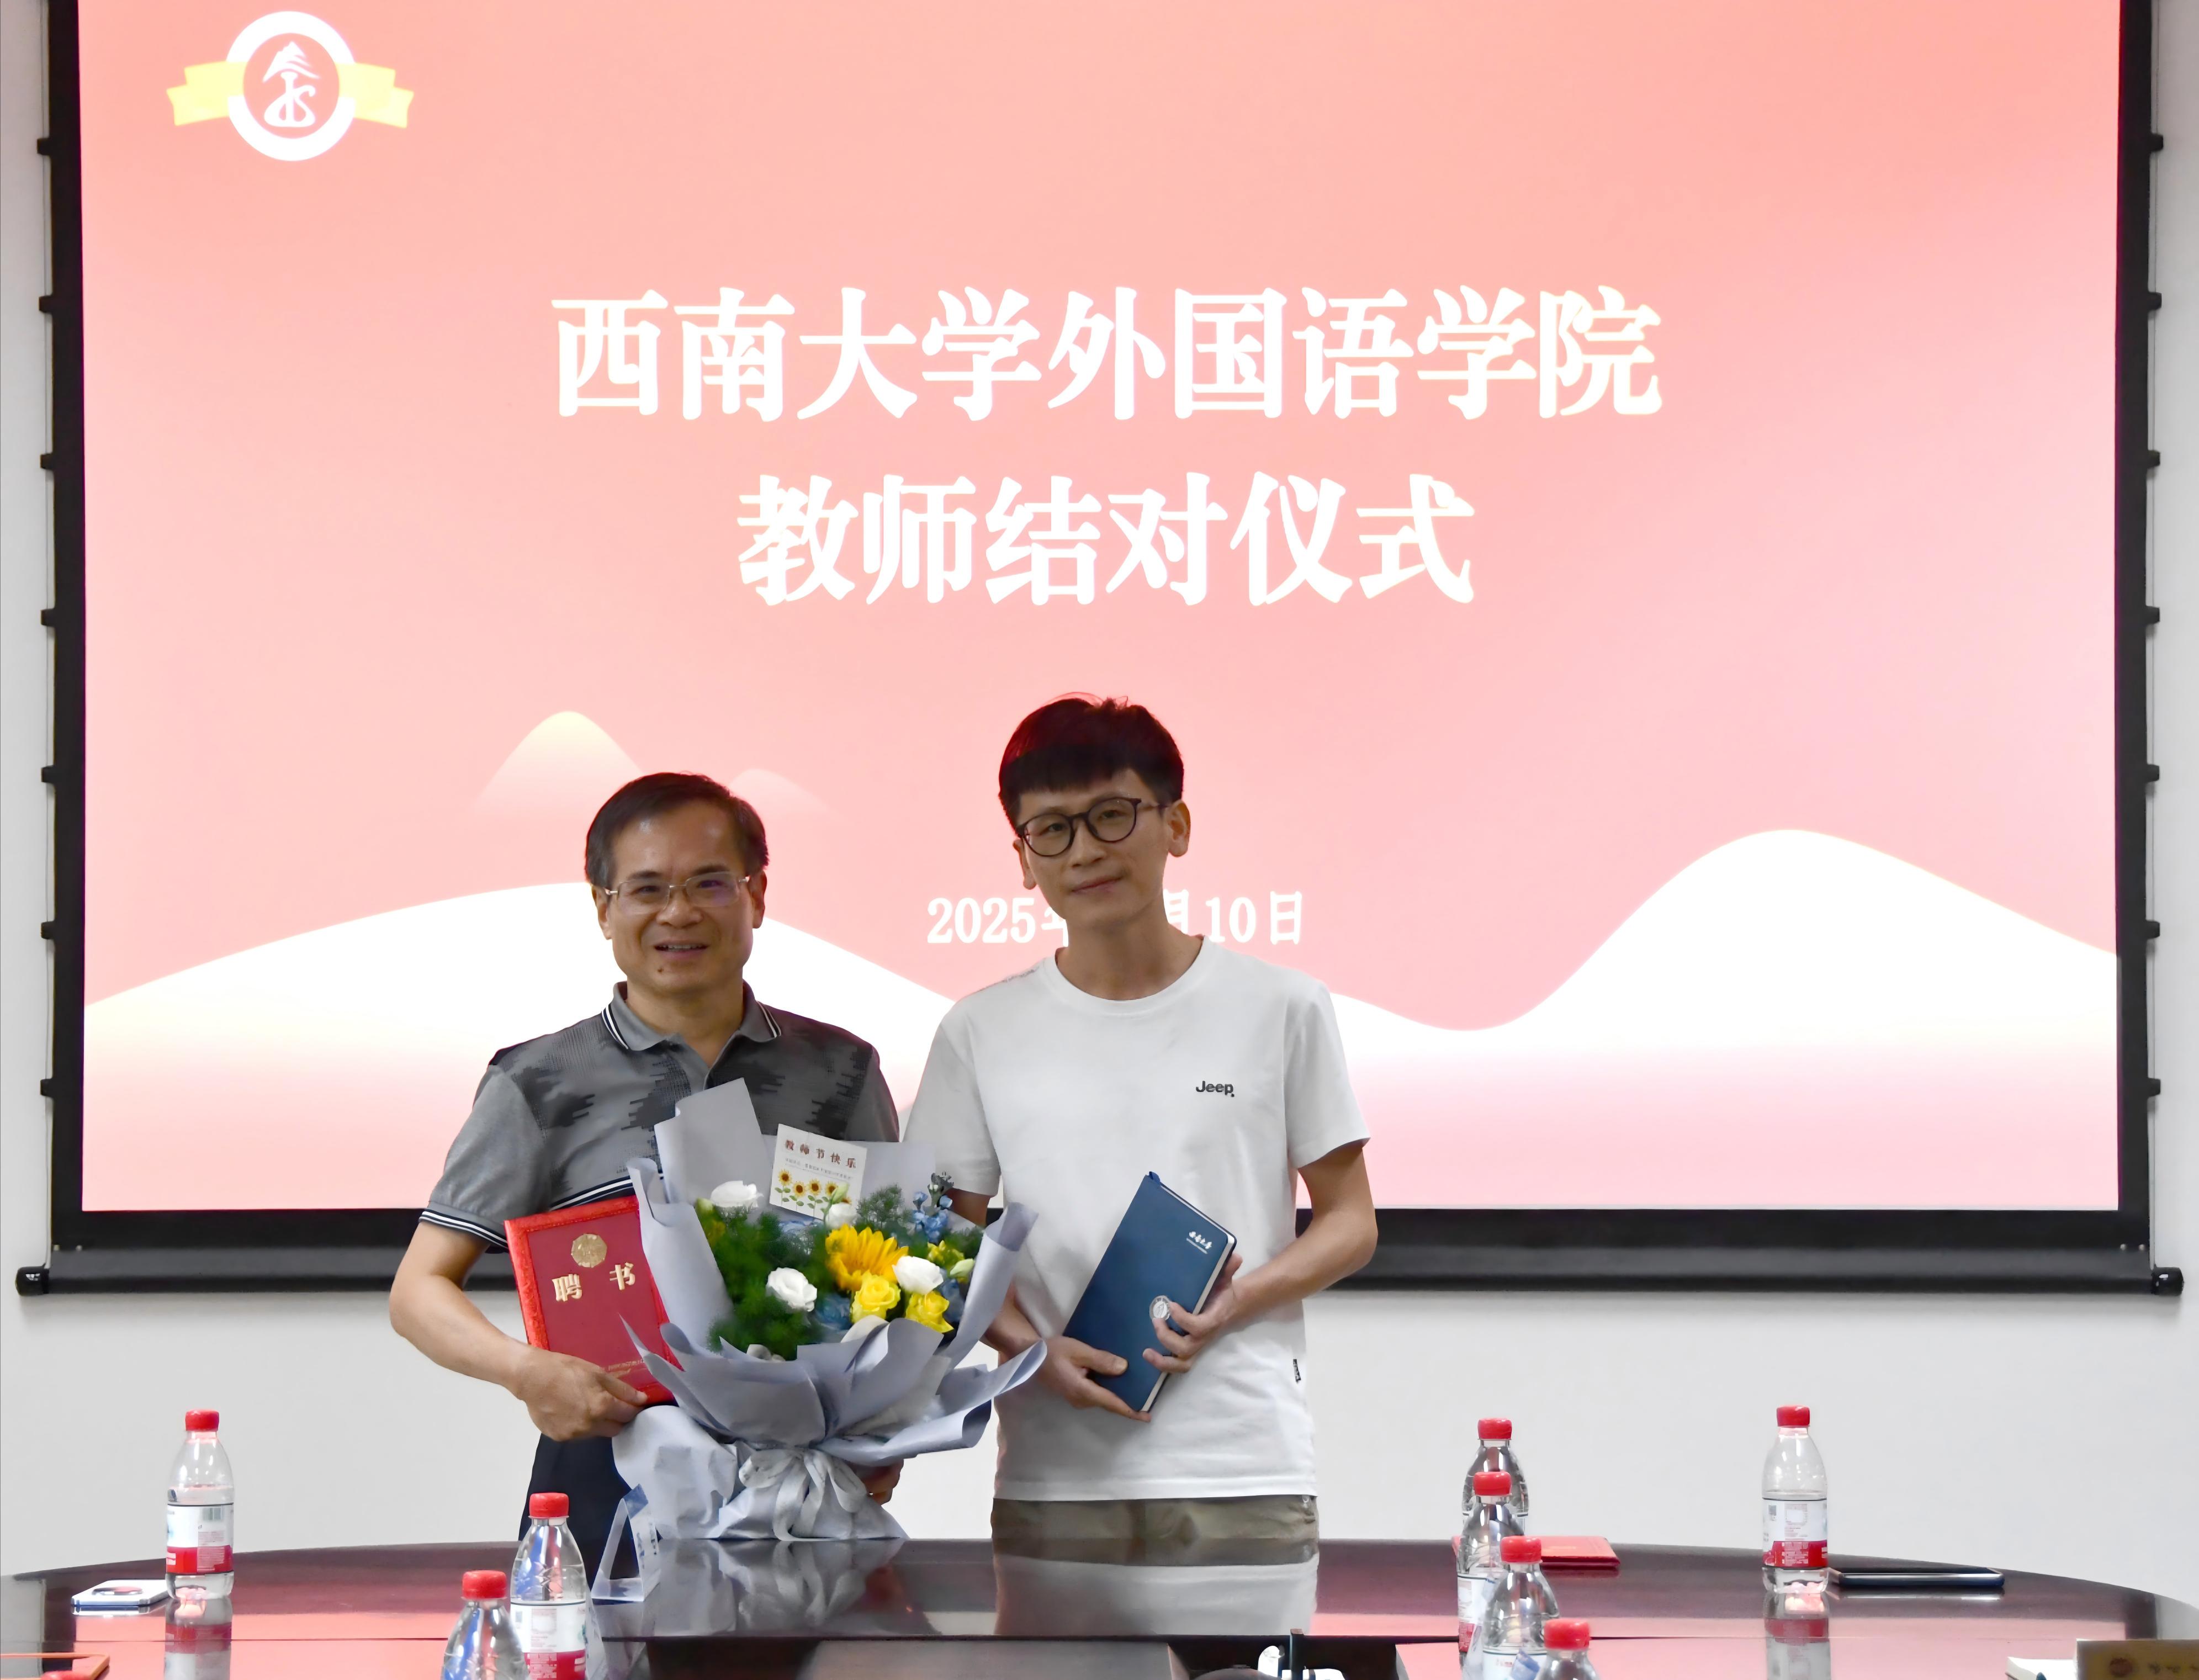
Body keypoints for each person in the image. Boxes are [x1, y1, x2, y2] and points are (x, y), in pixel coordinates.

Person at [390, 771, 900, 1572]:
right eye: (647, 889)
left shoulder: (838, 1071)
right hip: (606, 1473)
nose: (679, 913)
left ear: (757, 895)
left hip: (803, 1479)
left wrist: (886, 1421)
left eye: (709, 883)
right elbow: (418, 1290)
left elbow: (896, 1270)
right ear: (604, 909)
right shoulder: (540, 1080)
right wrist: (527, 1373)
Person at [908, 697, 1379, 1555]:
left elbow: (1352, 1223)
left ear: (1177, 826)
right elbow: (943, 1240)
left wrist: (1237, 1301)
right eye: (1052, 829)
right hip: (1056, 1470)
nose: (1085, 850)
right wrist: (1031, 1348)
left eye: (1113, 815)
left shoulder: (1281, 1006)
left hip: (1245, 1465)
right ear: (1024, 860)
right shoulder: (979, 1031)